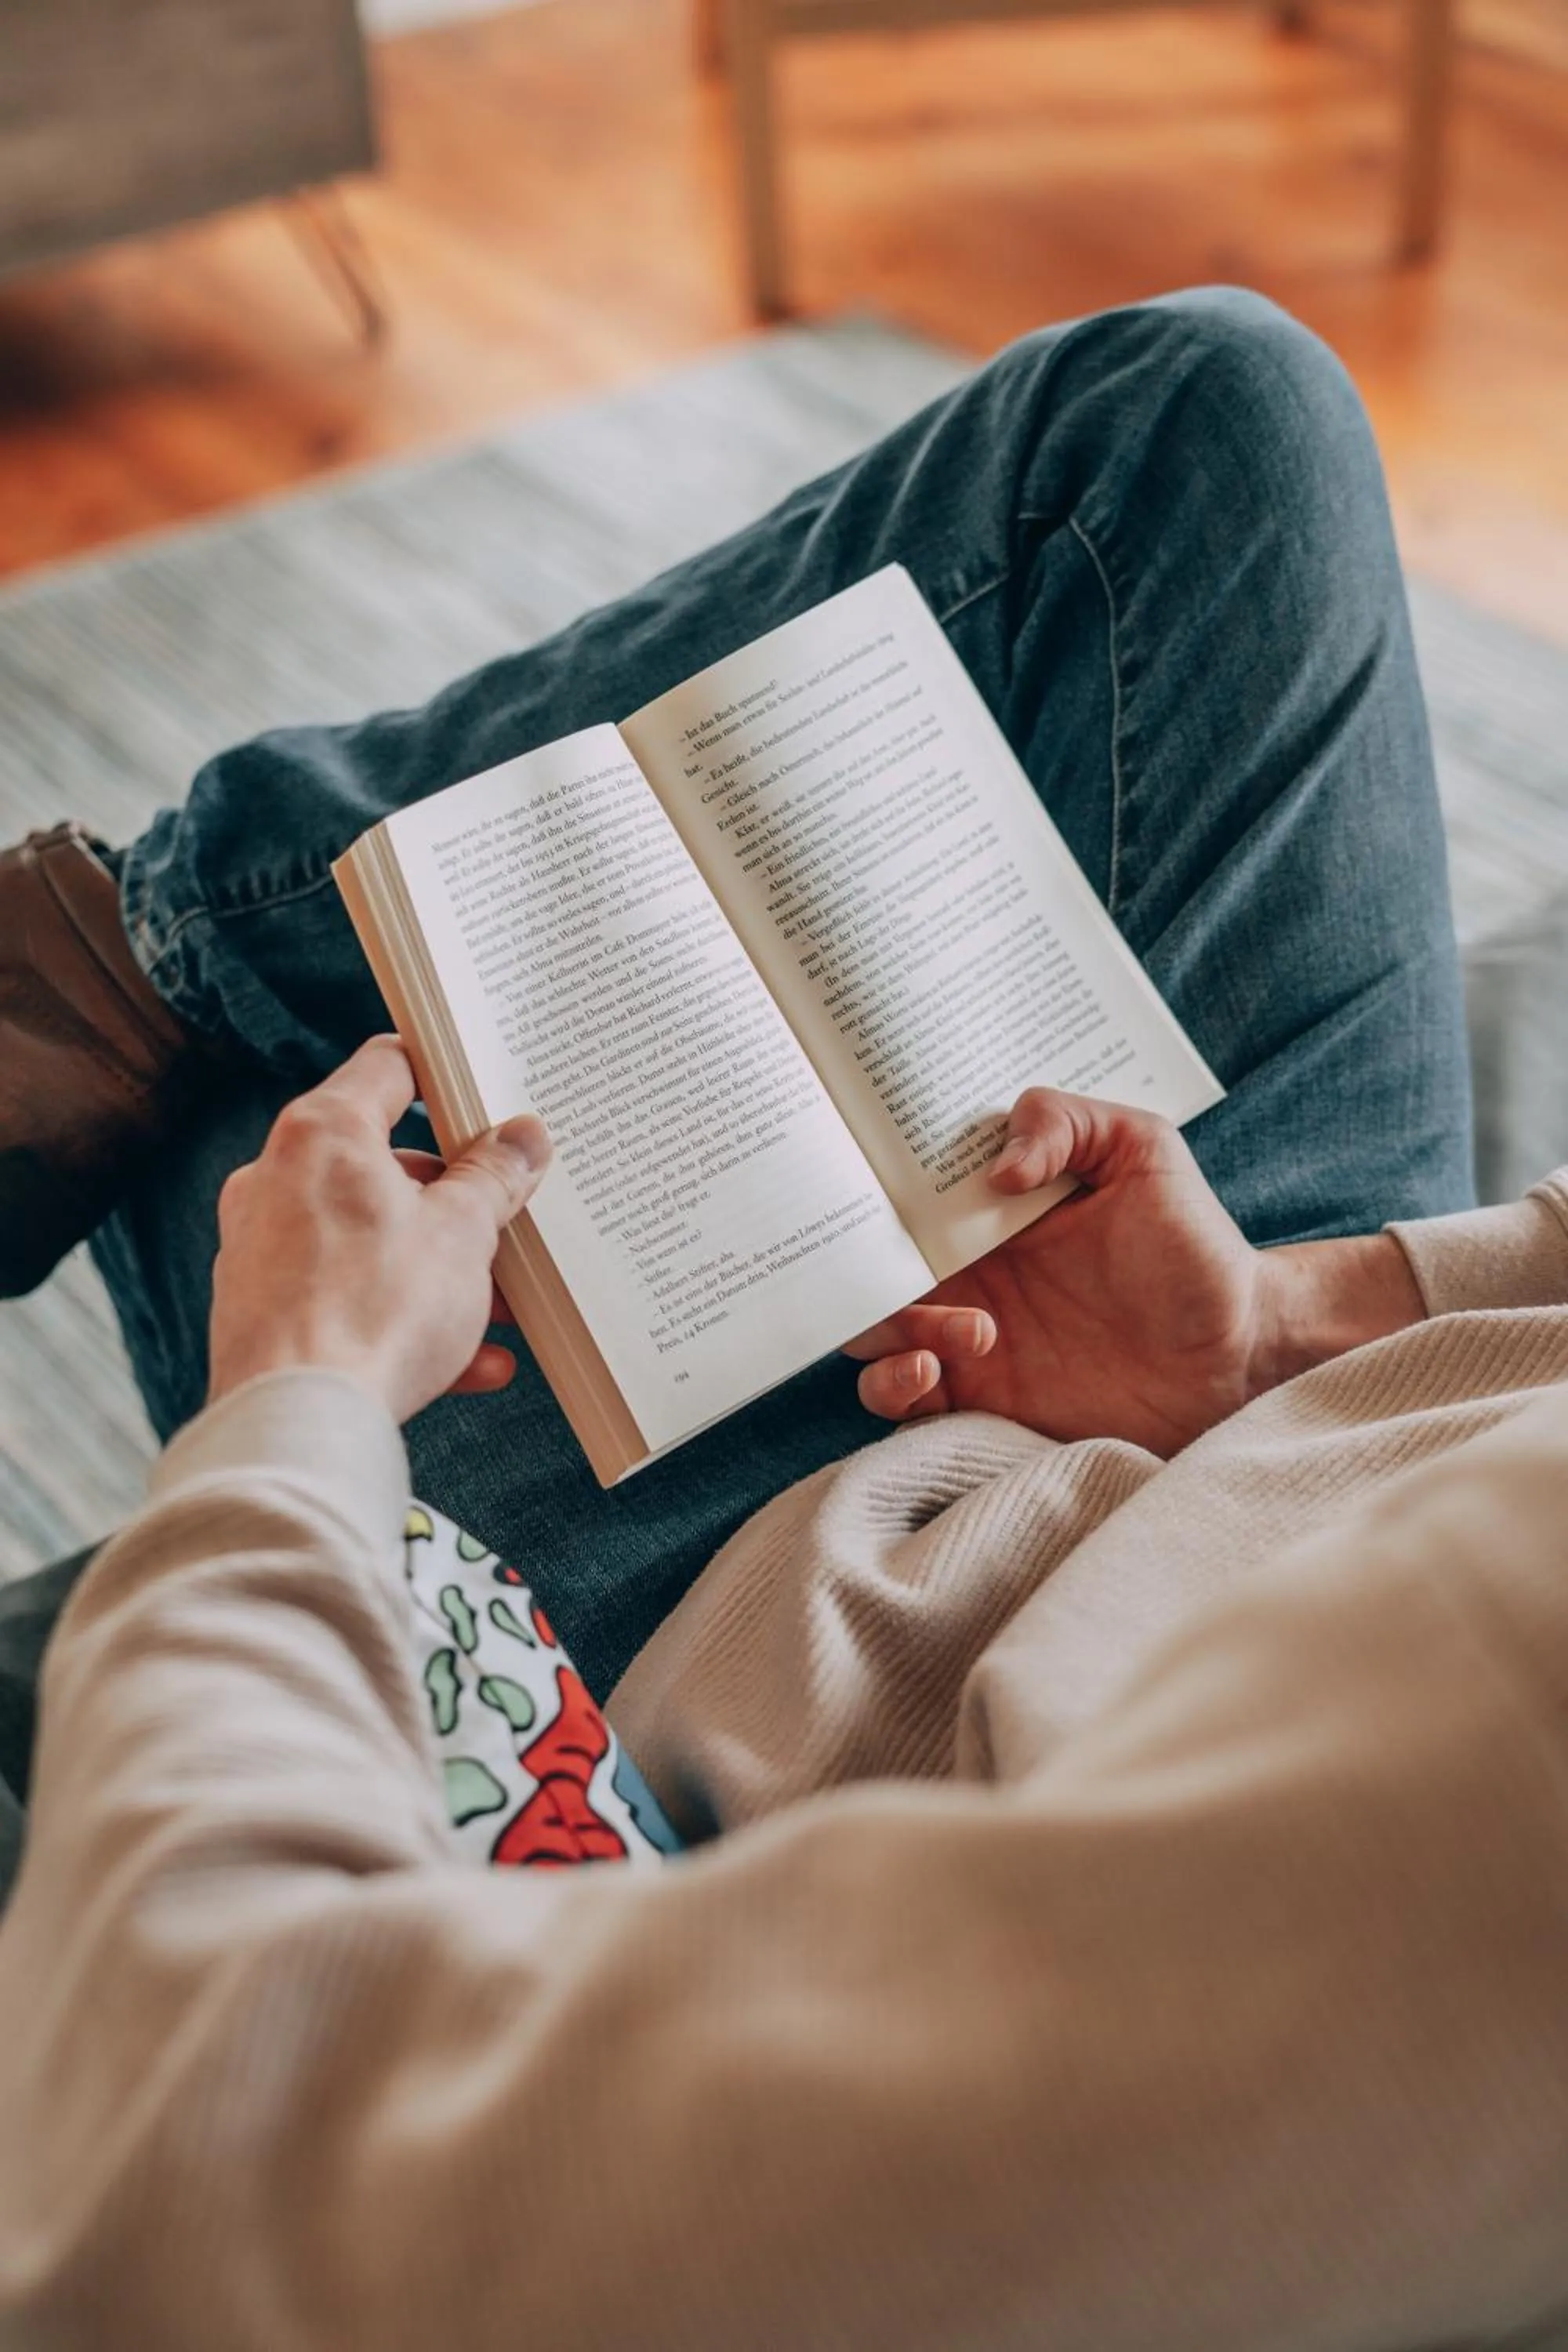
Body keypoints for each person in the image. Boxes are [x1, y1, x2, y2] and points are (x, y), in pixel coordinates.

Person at [1, 286, 1566, 2346]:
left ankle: (119, 983)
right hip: (1223, 1420)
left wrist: (289, 1409)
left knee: (341, 1145)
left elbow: (222, 2157)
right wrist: (1267, 1333)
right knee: (1197, 422)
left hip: (776, 1706)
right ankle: (140, 965)